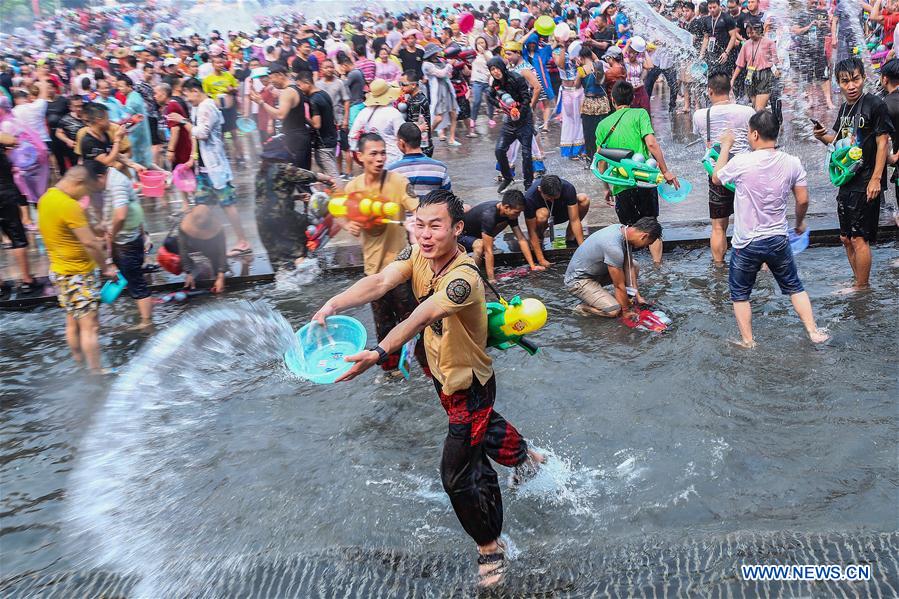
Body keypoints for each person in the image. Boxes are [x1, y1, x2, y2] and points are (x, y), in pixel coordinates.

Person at [312, 189, 543, 587]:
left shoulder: (462, 279)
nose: (425, 234)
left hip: (468, 383)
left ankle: (490, 547)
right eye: (419, 225)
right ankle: (526, 457)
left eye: (436, 226)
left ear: (457, 228)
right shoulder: (416, 254)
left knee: (456, 475)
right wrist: (333, 304)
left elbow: (422, 315)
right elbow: (381, 280)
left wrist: (378, 351)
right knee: (478, 436)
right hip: (442, 372)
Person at [713, 111, 830, 347]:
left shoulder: (742, 161)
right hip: (778, 239)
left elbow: (717, 178)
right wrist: (799, 224)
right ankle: (813, 331)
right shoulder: (792, 162)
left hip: (746, 243)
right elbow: (803, 200)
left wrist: (725, 146)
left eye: (748, 132)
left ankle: (748, 340)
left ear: (755, 134)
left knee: (740, 294)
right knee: (794, 287)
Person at [342, 133, 422, 373]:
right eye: (373, 153)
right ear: (360, 156)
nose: (379, 158)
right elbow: (346, 215)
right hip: (373, 272)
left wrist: (415, 223)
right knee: (383, 326)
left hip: (400, 270)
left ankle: (429, 369)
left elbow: (419, 209)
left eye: (383, 153)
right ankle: (391, 371)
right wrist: (350, 225)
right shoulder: (353, 187)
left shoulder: (398, 182)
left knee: (414, 322)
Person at [812, 57, 893, 291]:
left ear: (864, 78)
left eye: (855, 79)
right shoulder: (845, 107)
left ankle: (862, 287)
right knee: (846, 238)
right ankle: (858, 280)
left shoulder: (875, 104)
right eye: (845, 81)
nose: (851, 86)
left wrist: (877, 178)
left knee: (859, 238)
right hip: (847, 179)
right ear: (838, 83)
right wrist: (821, 136)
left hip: (867, 179)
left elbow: (882, 143)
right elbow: (838, 140)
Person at [37, 166, 116, 373]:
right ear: (79, 182)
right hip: (78, 274)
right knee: (91, 327)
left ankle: (80, 363)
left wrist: (95, 227)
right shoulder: (68, 205)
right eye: (87, 190)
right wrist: (106, 267)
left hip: (60, 272)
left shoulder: (46, 198)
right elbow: (90, 244)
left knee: (72, 322)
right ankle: (96, 371)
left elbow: (68, 230)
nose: (86, 195)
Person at [595, 81, 678, 264]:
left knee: (628, 229)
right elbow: (651, 143)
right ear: (632, 98)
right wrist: (665, 171)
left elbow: (601, 160)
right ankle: (658, 267)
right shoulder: (640, 114)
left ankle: (630, 271)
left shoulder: (602, 125)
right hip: (644, 179)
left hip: (620, 183)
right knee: (650, 224)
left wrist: (606, 187)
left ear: (612, 99)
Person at [176, 77, 252, 257]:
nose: (188, 100)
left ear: (195, 90)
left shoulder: (207, 106)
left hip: (215, 167)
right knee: (202, 206)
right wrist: (192, 158)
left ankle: (242, 241)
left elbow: (201, 133)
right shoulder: (197, 108)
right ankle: (202, 241)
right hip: (204, 168)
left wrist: (184, 122)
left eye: (188, 96)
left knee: (227, 204)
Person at [692, 71, 756, 264]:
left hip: (717, 174)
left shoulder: (700, 115)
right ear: (731, 90)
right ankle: (758, 264)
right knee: (751, 223)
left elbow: (701, 137)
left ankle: (719, 265)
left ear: (709, 91)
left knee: (719, 227)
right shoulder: (747, 112)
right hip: (744, 172)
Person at [92, 161, 153, 330]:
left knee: (136, 282)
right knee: (129, 278)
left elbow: (120, 215)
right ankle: (142, 314)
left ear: (100, 177)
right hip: (126, 239)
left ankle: (146, 322)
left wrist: (111, 234)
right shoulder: (111, 179)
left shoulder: (116, 183)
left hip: (127, 242)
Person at [565, 218, 661, 318]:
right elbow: (618, 285)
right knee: (614, 310)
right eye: (648, 244)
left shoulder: (624, 232)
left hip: (595, 273)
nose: (645, 247)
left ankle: (623, 298)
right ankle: (582, 307)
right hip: (578, 281)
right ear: (644, 236)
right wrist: (625, 311)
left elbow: (629, 266)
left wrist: (637, 296)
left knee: (635, 265)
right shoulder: (613, 246)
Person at [461, 190, 544, 282]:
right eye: (517, 212)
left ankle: (487, 240)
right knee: (481, 245)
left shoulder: (509, 214)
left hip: (477, 233)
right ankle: (471, 277)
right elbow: (489, 251)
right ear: (506, 207)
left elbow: (521, 239)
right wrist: (491, 279)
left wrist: (533, 266)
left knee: (504, 223)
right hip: (461, 237)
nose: (518, 215)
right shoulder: (489, 215)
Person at [486, 53, 536, 193]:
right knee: (499, 150)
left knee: (526, 154)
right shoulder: (495, 84)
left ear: (502, 67)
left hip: (524, 121)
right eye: (492, 70)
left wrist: (519, 112)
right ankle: (508, 178)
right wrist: (501, 106)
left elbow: (527, 99)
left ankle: (528, 185)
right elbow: (489, 96)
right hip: (509, 123)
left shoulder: (517, 78)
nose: (495, 72)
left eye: (496, 68)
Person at [249, 64, 314, 170]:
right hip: (300, 136)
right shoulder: (294, 88)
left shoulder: (288, 92)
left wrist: (261, 102)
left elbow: (280, 115)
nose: (271, 82)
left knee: (299, 175)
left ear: (280, 75)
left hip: (295, 139)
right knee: (303, 175)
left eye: (272, 78)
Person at [0, 130, 37, 298]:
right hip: (4, 194)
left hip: (5, 192)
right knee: (17, 237)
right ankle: (27, 280)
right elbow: (12, 140)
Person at [523, 174, 590, 264]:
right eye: (548, 198)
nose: (551, 200)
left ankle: (570, 235)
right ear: (540, 190)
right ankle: (539, 238)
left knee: (584, 199)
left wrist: (583, 249)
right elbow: (531, 231)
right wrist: (541, 260)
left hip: (562, 213)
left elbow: (575, 220)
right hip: (543, 218)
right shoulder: (529, 198)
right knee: (542, 214)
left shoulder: (568, 188)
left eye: (554, 198)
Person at [348, 79, 406, 165]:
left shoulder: (363, 112)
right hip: (392, 160)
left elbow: (352, 136)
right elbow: (403, 138)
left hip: (372, 160)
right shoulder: (393, 113)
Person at [387, 122, 451, 198]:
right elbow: (449, 200)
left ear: (401, 143)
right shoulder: (440, 168)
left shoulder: (392, 171)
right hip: (432, 209)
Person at [792, 0, 835, 112]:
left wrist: (823, 24)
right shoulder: (800, 14)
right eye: (812, 1)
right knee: (808, 77)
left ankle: (828, 100)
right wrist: (809, 26)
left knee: (824, 76)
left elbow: (829, 29)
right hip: (805, 51)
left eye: (816, 2)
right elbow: (795, 31)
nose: (814, 3)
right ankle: (810, 100)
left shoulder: (822, 13)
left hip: (819, 50)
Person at [296, 69, 339, 180]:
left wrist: (304, 118)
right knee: (328, 175)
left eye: (299, 85)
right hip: (332, 139)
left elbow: (316, 125)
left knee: (332, 177)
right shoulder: (324, 94)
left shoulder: (313, 100)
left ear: (307, 83)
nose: (298, 89)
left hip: (323, 144)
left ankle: (342, 195)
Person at [155, 82, 192, 211]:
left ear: (164, 94)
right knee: (180, 174)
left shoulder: (172, 106)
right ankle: (186, 203)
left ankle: (188, 202)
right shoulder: (169, 106)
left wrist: (170, 150)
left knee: (183, 173)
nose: (155, 96)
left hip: (181, 146)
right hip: (180, 145)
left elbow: (175, 130)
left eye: (156, 93)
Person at [176, 205, 228, 294]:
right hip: (191, 244)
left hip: (209, 245)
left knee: (216, 263)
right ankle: (194, 267)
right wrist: (188, 272)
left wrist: (221, 275)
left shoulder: (218, 229)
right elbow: (183, 250)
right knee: (171, 245)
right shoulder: (184, 227)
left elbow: (222, 250)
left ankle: (214, 266)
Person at [732, 20, 778, 111]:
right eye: (748, 33)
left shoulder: (769, 43)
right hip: (750, 76)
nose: (749, 35)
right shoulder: (746, 45)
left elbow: (776, 60)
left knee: (759, 108)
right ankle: (763, 123)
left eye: (751, 33)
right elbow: (740, 64)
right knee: (755, 108)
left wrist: (777, 70)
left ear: (758, 30)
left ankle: (765, 123)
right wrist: (732, 79)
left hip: (765, 75)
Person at [316, 58, 351, 177]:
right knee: (332, 148)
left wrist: (346, 119)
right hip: (326, 123)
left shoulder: (340, 83)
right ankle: (339, 171)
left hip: (339, 120)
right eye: (326, 67)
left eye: (331, 67)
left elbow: (346, 101)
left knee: (345, 147)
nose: (329, 69)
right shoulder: (318, 84)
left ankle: (349, 173)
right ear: (322, 69)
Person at [422, 43, 460, 146]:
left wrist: (449, 66)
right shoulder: (426, 65)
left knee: (453, 114)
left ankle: (452, 138)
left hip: (447, 89)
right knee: (439, 118)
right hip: (438, 92)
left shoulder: (440, 60)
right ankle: (427, 136)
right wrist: (449, 65)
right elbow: (441, 73)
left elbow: (448, 74)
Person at [115, 74, 153, 168]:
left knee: (137, 165)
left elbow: (129, 120)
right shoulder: (135, 95)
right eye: (118, 86)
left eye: (121, 86)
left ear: (129, 86)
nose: (119, 89)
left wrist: (121, 127)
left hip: (137, 136)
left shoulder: (132, 101)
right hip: (141, 133)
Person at [397, 70, 434, 157]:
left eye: (404, 84)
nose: (401, 87)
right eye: (400, 84)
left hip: (420, 147)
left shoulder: (417, 102)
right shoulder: (415, 97)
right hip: (421, 144)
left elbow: (413, 127)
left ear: (413, 85)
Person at [700, 0, 739, 78]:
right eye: (710, 8)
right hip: (711, 54)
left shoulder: (727, 18)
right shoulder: (706, 20)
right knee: (711, 78)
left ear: (719, 6)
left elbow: (733, 37)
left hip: (724, 53)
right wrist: (702, 54)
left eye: (714, 7)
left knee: (724, 79)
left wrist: (726, 53)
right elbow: (706, 38)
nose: (712, 10)